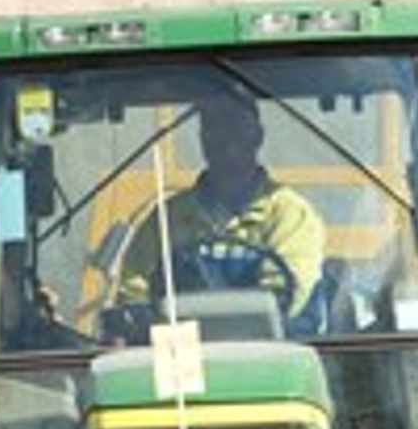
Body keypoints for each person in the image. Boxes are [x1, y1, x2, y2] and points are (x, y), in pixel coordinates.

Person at [114, 88, 326, 324]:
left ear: (257, 136)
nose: (227, 141)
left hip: (274, 354)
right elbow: (135, 296)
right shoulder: (166, 220)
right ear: (203, 139)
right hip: (182, 356)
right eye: (214, 128)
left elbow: (284, 295)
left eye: (236, 127)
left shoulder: (290, 214)